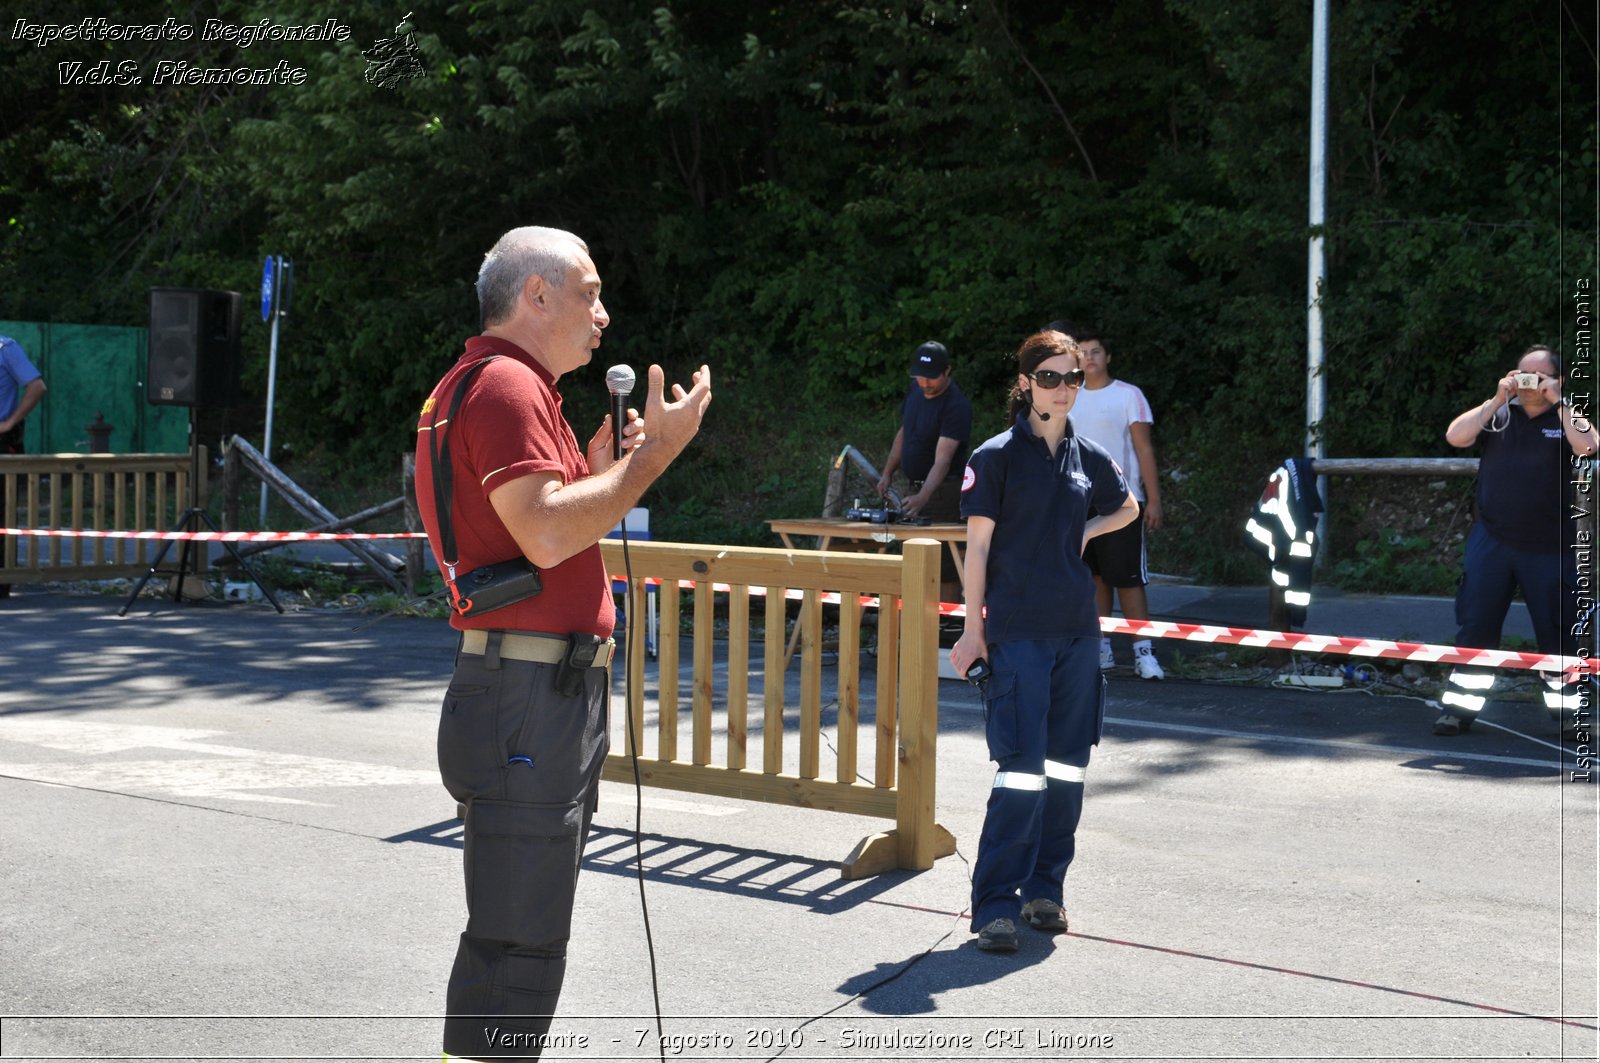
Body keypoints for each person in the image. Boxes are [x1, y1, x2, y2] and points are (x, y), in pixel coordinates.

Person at [413, 226, 712, 1061]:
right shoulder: (508, 385)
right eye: (588, 292)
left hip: (523, 693)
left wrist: (592, 465)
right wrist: (650, 461)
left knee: (517, 931)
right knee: (519, 942)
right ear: (533, 296)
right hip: (526, 701)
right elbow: (544, 536)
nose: (603, 315)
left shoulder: (476, 382)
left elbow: (514, 528)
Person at [949, 330, 1139, 953]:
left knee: (1065, 772)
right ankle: (994, 906)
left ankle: (1044, 892)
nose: (1064, 389)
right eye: (1051, 378)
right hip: (1017, 634)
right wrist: (973, 629)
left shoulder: (1089, 458)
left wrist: (1087, 529)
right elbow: (975, 550)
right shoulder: (995, 456)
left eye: (1074, 379)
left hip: (1077, 634)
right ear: (1026, 382)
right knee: (1021, 773)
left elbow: (1129, 508)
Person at [1435, 344, 1596, 737]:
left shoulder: (1564, 417)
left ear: (1556, 379)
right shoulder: (1499, 415)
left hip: (1550, 545)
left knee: (1560, 632)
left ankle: (1570, 717)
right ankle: (1458, 710)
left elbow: (1590, 444)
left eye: (1538, 376)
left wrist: (1556, 399)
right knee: (1475, 626)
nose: (1528, 382)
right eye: (1522, 373)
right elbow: (1456, 436)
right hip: (1493, 542)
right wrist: (1498, 396)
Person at [1047, 320, 1165, 680]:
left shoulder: (1129, 395)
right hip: (1079, 503)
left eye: (1096, 351)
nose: (1090, 357)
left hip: (1123, 503)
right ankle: (1102, 649)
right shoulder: (1068, 395)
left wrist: (1154, 501)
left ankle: (1144, 653)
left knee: (1128, 579)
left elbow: (1144, 450)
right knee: (1094, 578)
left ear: (1108, 356)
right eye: (1083, 352)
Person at [875, 340, 972, 600]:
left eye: (931, 378)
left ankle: (946, 626)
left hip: (944, 492)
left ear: (947, 371)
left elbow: (943, 459)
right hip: (914, 488)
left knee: (944, 565)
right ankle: (914, 623)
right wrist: (887, 472)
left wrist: (924, 497)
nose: (925, 383)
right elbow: (904, 432)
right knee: (914, 562)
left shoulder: (956, 406)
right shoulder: (914, 392)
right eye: (920, 377)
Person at [0, 335, 46, 600]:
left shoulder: (6, 348)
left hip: (3, 442)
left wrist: (10, 423)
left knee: (2, 515)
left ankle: (2, 580)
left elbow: (37, 386)